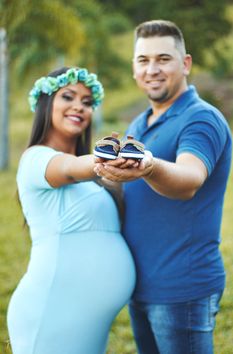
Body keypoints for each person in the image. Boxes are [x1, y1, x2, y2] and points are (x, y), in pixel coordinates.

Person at [94, 20, 233, 354]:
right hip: (142, 288)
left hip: (182, 290)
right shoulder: (139, 124)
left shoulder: (201, 118)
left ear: (185, 63)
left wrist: (150, 166)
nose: (152, 69)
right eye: (143, 61)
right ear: (134, 69)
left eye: (163, 59)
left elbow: (189, 179)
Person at [7, 66, 136, 354]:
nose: (79, 106)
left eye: (87, 102)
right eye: (68, 96)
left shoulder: (94, 181)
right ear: (46, 104)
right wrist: (106, 157)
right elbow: (70, 167)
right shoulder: (36, 159)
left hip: (88, 322)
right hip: (52, 313)